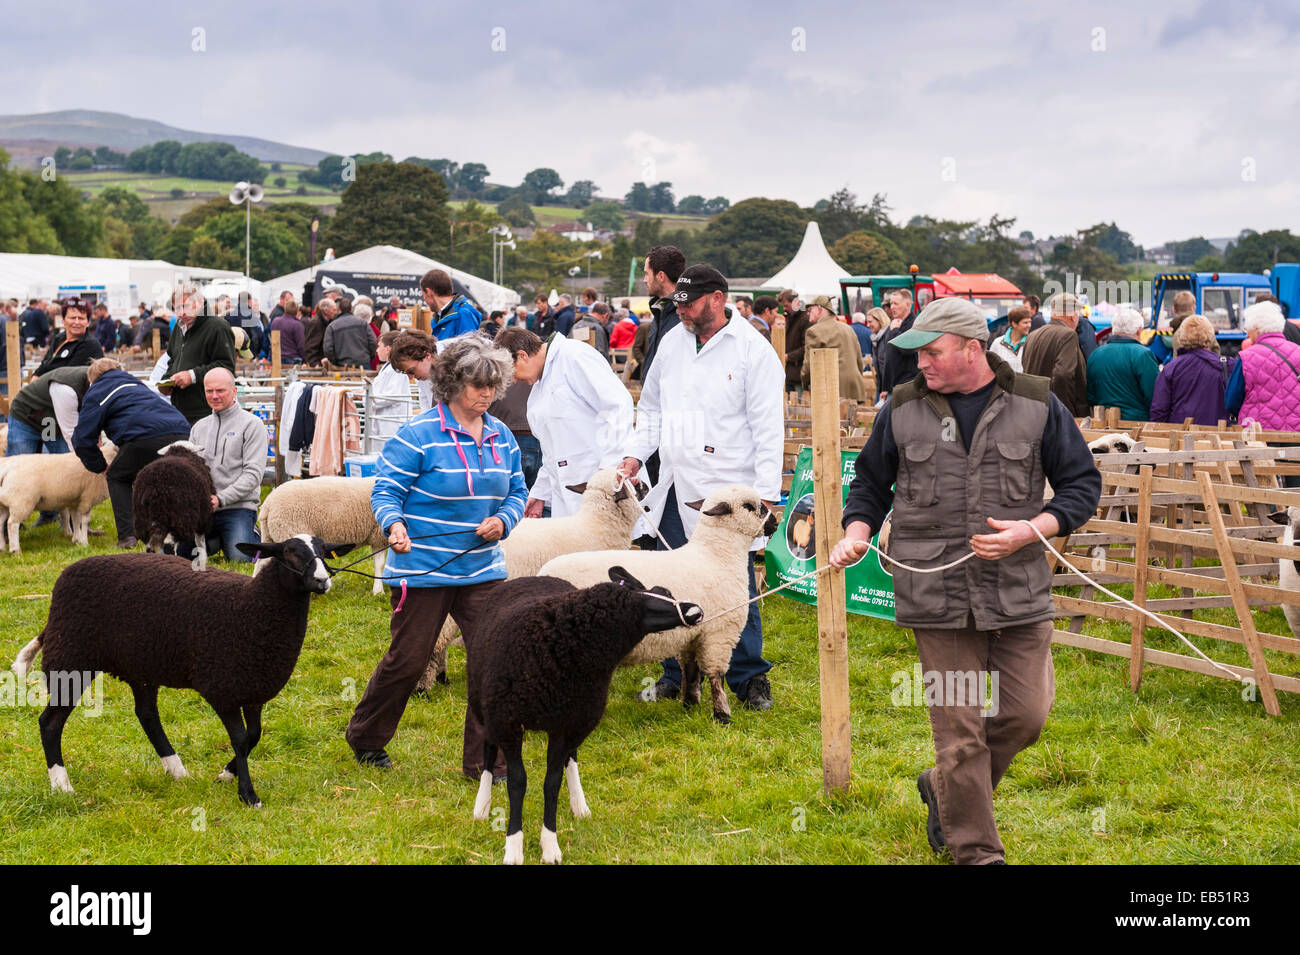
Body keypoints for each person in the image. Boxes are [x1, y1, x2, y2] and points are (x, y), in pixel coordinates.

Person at [829, 297, 1100, 865]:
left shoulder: (1037, 403)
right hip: (937, 598)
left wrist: (1032, 529)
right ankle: (976, 852)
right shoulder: (901, 409)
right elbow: (871, 487)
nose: (920, 363)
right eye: (917, 354)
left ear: (972, 349)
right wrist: (856, 531)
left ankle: (944, 787)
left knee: (1025, 718)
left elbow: (1081, 487)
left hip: (1018, 589)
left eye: (931, 352)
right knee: (960, 735)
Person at [347, 335, 527, 775]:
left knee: (491, 660)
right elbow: (387, 489)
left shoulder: (503, 436)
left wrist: (504, 520)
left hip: (483, 569)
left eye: (492, 384)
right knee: (408, 660)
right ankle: (366, 736)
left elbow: (518, 491)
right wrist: (394, 524)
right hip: (421, 568)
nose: (485, 393)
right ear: (451, 383)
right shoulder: (418, 434)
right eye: (476, 384)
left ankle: (487, 762)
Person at [619, 264, 783, 711]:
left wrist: (767, 494)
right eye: (679, 304)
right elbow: (650, 407)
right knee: (671, 577)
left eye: (689, 304)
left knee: (734, 585)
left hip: (728, 490)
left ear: (717, 298)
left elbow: (769, 427)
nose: (683, 312)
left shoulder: (753, 350)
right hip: (676, 482)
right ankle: (676, 673)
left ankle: (749, 680)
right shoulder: (672, 341)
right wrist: (635, 454)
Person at [498, 326, 634, 519]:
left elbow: (618, 405)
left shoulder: (575, 356)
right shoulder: (539, 385)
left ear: (522, 356)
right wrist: (540, 493)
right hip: (569, 493)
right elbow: (550, 449)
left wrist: (608, 469)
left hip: (600, 484)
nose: (513, 380)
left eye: (511, 372)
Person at [73, 357, 193, 548]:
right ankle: (180, 532)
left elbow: (82, 439)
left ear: (92, 379)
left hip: (144, 437)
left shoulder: (97, 391)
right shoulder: (138, 385)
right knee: (167, 481)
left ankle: (128, 535)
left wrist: (100, 466)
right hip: (182, 431)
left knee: (118, 476)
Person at [180, 368, 268, 562]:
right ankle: (217, 540)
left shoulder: (252, 425)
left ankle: (253, 536)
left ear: (234, 391)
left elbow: (253, 475)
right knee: (179, 554)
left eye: (220, 391)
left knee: (241, 558)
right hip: (204, 508)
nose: (214, 396)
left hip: (239, 506)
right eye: (209, 391)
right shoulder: (198, 428)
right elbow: (191, 471)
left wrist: (221, 498)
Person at [163, 284, 237, 425]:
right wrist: (168, 380)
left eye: (186, 306)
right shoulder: (178, 329)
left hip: (207, 411)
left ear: (199, 303)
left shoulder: (217, 327)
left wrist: (192, 376)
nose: (182, 312)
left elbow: (226, 366)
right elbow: (173, 360)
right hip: (180, 409)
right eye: (177, 308)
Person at [1226, 300, 1300, 431]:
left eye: (1248, 328)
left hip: (1260, 435)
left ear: (1257, 328)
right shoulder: (1298, 351)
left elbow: (1231, 401)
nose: (1247, 334)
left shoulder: (1246, 357)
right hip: (1296, 433)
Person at [1149, 315, 1228, 426]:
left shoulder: (1170, 369)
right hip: (1218, 436)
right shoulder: (1226, 365)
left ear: (1181, 336)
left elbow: (1159, 411)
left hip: (1180, 437)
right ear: (1210, 337)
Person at [1020, 292, 1089, 416]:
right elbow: (1062, 376)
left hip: (1033, 412)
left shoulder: (1032, 335)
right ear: (1073, 315)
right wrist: (1065, 414)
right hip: (1057, 415)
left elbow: (1026, 371)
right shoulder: (1068, 335)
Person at [1086, 307, 1160, 421]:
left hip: (1103, 424)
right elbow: (1154, 396)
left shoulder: (1096, 354)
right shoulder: (1143, 355)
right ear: (1139, 330)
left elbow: (1091, 396)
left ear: (1114, 329)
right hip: (1136, 426)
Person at [800, 295, 867, 400]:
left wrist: (804, 383)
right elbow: (859, 360)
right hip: (855, 387)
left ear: (819, 309)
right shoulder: (848, 328)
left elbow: (809, 365)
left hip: (831, 390)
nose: (808, 313)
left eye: (810, 310)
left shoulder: (814, 331)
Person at [637, 245, 686, 383]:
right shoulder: (660, 310)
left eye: (647, 274)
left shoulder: (684, 317)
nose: (644, 280)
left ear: (660, 276)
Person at [34, 298, 103, 377]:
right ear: (63, 320)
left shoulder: (90, 344)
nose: (77, 322)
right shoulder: (58, 339)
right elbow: (44, 365)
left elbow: (66, 374)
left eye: (81, 318)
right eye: (72, 318)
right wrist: (35, 376)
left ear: (88, 322)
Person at [369, 330, 414, 447]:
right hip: (384, 422)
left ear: (388, 349)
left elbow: (391, 396)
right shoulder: (388, 367)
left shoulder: (397, 369)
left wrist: (369, 396)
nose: (377, 350)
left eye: (379, 346)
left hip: (391, 424)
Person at [875, 288, 918, 399]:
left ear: (908, 305)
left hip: (907, 386)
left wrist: (895, 332)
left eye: (896, 303)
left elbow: (908, 349)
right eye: (891, 304)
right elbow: (888, 357)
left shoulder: (915, 324)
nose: (892, 307)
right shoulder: (893, 324)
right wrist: (885, 387)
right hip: (892, 387)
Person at [420, 269, 482, 340]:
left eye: (423, 295)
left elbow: (469, 349)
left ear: (429, 292)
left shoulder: (463, 314)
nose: (424, 299)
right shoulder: (440, 316)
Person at [388, 329, 437, 413]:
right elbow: (427, 409)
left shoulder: (457, 362)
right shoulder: (424, 376)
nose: (411, 377)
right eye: (406, 373)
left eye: (411, 370)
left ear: (427, 355)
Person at [323, 301, 378, 368]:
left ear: (339, 310)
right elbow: (373, 342)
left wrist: (335, 362)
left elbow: (328, 349)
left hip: (342, 364)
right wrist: (369, 357)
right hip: (363, 363)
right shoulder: (363, 323)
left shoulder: (332, 326)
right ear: (351, 309)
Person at [1150, 290, 1199, 364]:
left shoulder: (1170, 336)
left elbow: (1153, 358)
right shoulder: (1206, 330)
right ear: (1194, 307)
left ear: (1174, 310)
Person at [779, 288, 810, 393]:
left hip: (798, 372)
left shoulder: (805, 319)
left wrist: (788, 357)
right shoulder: (792, 317)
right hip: (790, 372)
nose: (784, 309)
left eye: (786, 306)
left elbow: (806, 347)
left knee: (800, 404)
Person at [987, 306, 1033, 372]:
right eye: (1025, 323)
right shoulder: (997, 343)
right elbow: (990, 368)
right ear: (1014, 324)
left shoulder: (1031, 343)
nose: (1029, 325)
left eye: (1030, 322)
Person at [302, 298, 335, 366]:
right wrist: (314, 363)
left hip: (323, 362)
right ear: (326, 311)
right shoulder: (316, 323)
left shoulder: (328, 322)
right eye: (333, 310)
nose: (335, 312)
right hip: (318, 363)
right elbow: (311, 345)